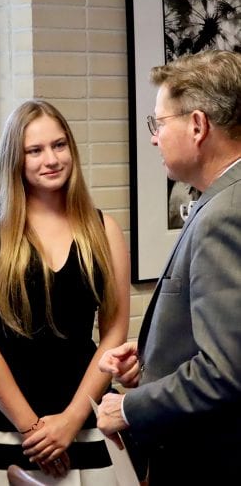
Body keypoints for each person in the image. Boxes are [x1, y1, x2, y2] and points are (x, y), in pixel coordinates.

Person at [0, 99, 130, 484]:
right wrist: (33, 430)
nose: (50, 159)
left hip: (84, 423)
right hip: (1, 426)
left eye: (59, 145)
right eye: (34, 150)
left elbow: (114, 334)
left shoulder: (105, 230)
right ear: (14, 160)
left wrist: (69, 422)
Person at [97, 50, 241, 485]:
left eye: (159, 124)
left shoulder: (224, 215)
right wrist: (155, 359)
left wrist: (127, 407)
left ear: (198, 126)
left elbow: (226, 371)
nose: (155, 138)